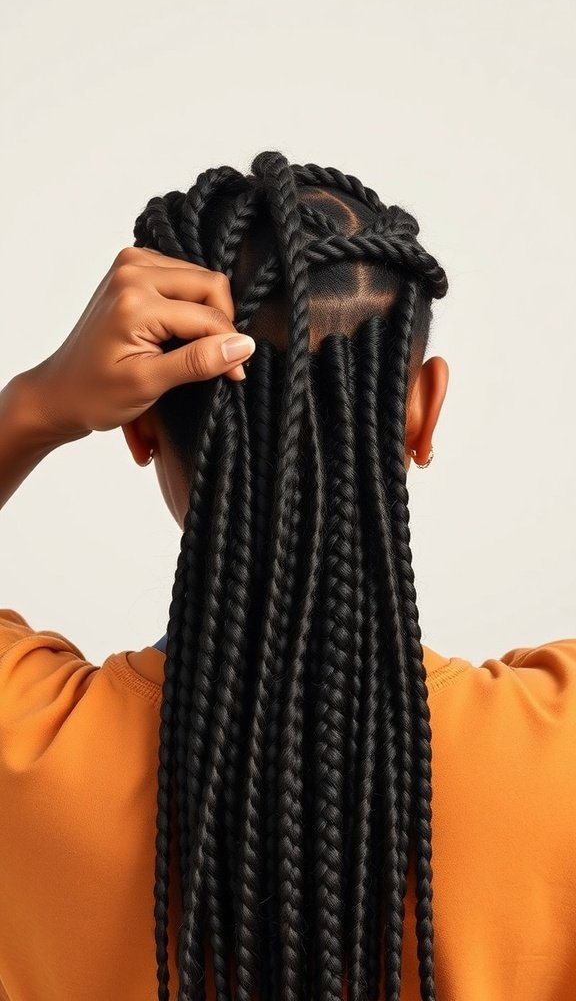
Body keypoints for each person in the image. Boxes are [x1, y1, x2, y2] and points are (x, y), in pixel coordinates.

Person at [0, 150, 574, 1001]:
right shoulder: (557, 758)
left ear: (140, 424)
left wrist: (35, 404)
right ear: (421, 411)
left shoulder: (25, 749)